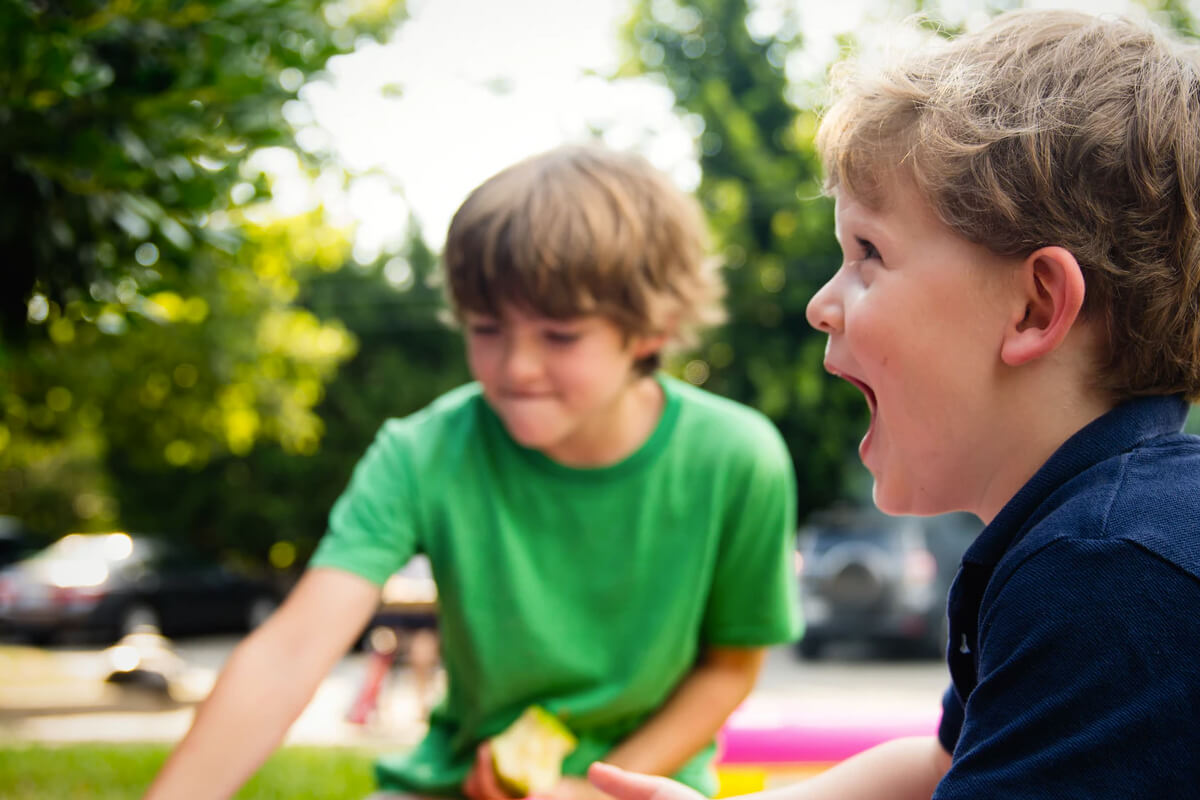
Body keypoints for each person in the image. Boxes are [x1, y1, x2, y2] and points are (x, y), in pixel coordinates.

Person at [586, 9, 1200, 800]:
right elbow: (944, 765)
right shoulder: (1077, 535)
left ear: (1037, 307)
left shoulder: (1104, 575)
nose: (819, 304)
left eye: (868, 254)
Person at [143, 144, 801, 800]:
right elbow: (291, 652)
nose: (515, 367)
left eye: (560, 335)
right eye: (486, 328)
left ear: (654, 327)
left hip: (644, 787)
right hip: (454, 787)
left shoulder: (738, 457)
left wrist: (593, 790)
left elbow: (730, 666)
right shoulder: (422, 452)